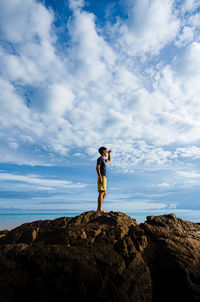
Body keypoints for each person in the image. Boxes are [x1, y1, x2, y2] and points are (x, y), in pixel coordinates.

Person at [96, 146, 111, 213]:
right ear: (103, 151)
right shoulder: (100, 159)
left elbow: (109, 160)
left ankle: (99, 208)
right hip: (101, 176)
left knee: (104, 193)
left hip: (104, 177)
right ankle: (99, 209)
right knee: (101, 192)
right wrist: (100, 177)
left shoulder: (103, 160)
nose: (106, 152)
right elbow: (97, 168)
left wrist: (109, 153)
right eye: (106, 151)